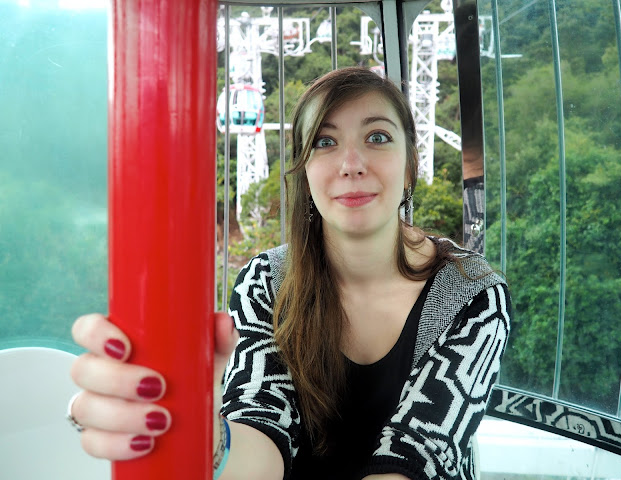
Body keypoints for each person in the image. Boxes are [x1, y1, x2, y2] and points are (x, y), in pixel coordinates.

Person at [69, 66, 511, 479]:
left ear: (410, 164)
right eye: (324, 141)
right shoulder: (266, 282)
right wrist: (208, 443)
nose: (351, 163)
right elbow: (262, 420)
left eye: (377, 137)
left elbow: (418, 455)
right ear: (304, 173)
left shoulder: (472, 294)